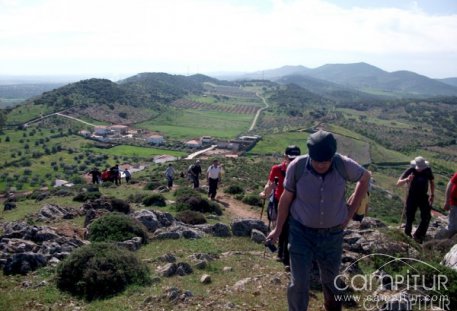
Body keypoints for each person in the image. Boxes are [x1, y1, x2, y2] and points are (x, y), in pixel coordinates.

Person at [266, 130, 371, 311]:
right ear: (310, 155)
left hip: (332, 235)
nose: (321, 165)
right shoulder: (297, 166)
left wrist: (350, 211)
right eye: (317, 161)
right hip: (301, 233)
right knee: (299, 282)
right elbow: (286, 198)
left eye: (326, 161)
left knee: (331, 281)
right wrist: (277, 229)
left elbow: (365, 177)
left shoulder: (342, 164)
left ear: (332, 156)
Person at [260, 145, 301, 268]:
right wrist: (268, 189)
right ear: (285, 157)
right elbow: (268, 185)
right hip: (280, 202)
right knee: (282, 228)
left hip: (296, 203)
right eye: (290, 158)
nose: (293, 161)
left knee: (290, 229)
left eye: (295, 158)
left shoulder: (302, 170)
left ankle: (286, 258)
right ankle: (281, 254)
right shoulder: (277, 169)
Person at [397, 156, 435, 243]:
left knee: (426, 217)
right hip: (412, 196)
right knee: (410, 217)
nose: (420, 169)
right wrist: (407, 179)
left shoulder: (427, 170)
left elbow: (432, 182)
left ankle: (419, 235)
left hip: (423, 197)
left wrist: (432, 194)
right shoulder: (411, 170)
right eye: (419, 168)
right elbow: (398, 183)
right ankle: (407, 235)